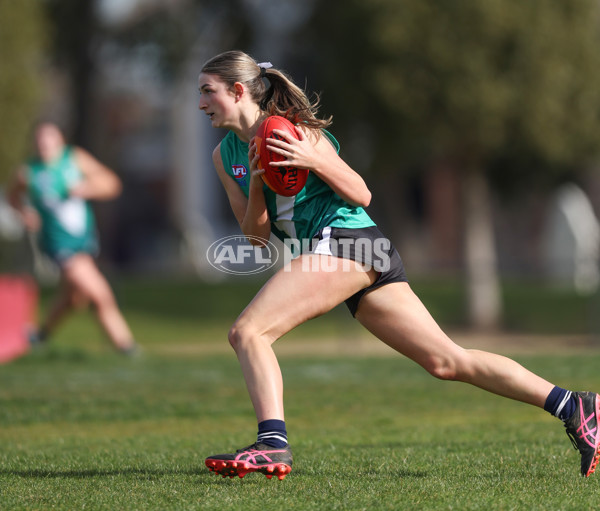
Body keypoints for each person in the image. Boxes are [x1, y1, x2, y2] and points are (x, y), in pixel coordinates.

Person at [198, 50, 599, 480]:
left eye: (208, 91)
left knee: (248, 331)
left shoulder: (293, 131)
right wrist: (259, 179)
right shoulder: (226, 157)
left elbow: (361, 193)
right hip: (344, 252)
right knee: (447, 361)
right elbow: (257, 239)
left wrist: (313, 160)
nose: (201, 102)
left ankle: (272, 444)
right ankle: (575, 405)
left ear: (238, 90)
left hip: (349, 242)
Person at [7, 122, 138, 355]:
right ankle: (126, 348)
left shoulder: (74, 159)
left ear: (60, 141)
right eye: (40, 140)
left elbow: (112, 184)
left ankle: (39, 335)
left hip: (84, 240)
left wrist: (87, 188)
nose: (44, 145)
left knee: (74, 298)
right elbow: (12, 196)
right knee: (99, 294)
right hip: (58, 244)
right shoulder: (29, 172)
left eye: (49, 140)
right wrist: (24, 213)